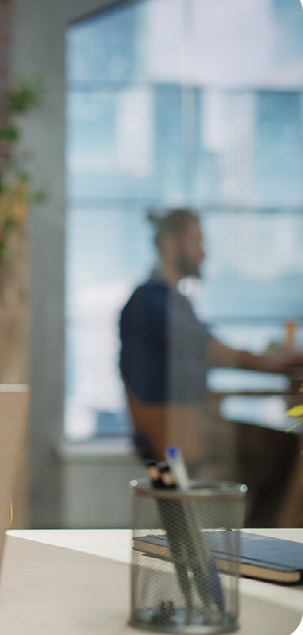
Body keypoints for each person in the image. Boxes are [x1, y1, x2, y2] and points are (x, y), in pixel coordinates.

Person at [119, 209, 303, 523]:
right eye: (197, 242)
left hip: (191, 420)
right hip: (177, 430)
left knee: (284, 449)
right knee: (290, 448)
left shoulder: (174, 301)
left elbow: (200, 358)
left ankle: (261, 542)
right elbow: (211, 349)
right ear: (171, 243)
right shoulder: (150, 300)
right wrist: (275, 362)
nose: (204, 253)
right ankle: (268, 544)